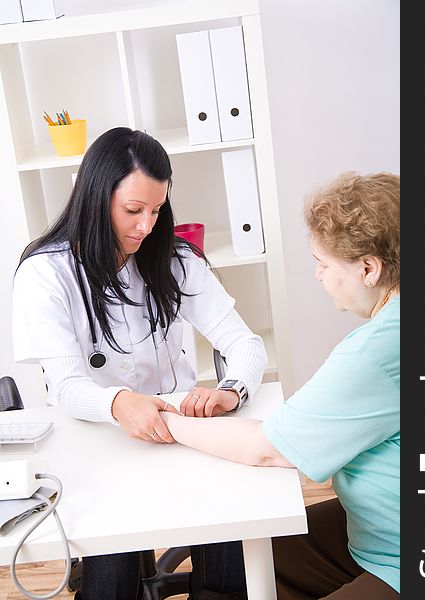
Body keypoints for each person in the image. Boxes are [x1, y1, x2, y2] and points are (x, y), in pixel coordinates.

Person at [12, 127, 267, 600]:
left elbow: (246, 343)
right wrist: (118, 404)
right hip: (101, 442)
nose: (146, 226)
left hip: (183, 435)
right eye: (133, 211)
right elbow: (66, 385)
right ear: (94, 196)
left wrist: (231, 389)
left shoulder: (175, 259)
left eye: (156, 210)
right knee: (112, 583)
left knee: (234, 558)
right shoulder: (46, 273)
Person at [161, 171, 400, 599]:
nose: (317, 275)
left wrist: (167, 420)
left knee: (243, 575)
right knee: (242, 567)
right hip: (380, 533)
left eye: (323, 263)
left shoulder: (377, 351)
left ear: (369, 268)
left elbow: (268, 450)